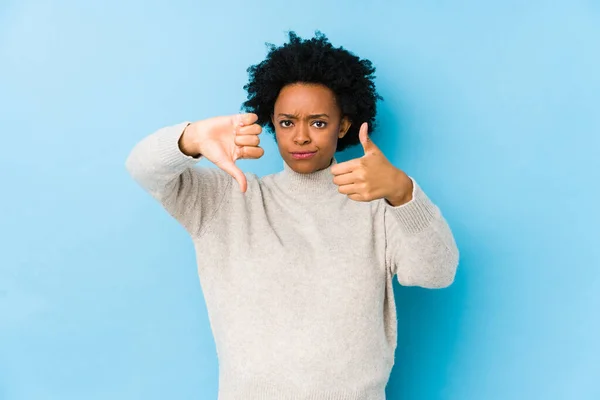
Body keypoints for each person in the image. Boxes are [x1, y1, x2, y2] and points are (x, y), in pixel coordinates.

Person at [126, 31, 459, 400]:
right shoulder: (228, 198)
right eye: (287, 123)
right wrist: (189, 138)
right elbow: (142, 168)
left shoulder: (377, 207)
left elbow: (436, 273)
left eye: (318, 122)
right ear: (272, 122)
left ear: (343, 125)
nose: (300, 136)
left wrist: (403, 192)